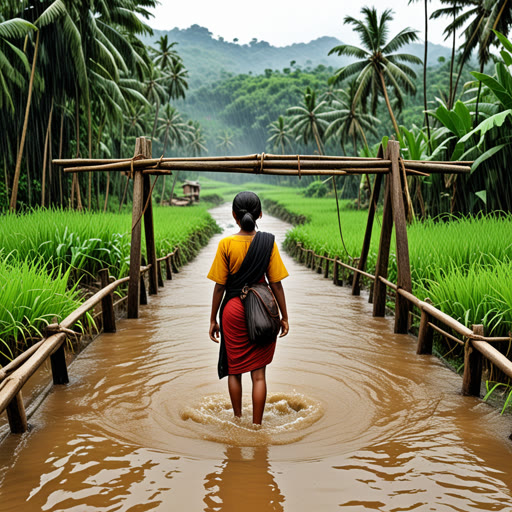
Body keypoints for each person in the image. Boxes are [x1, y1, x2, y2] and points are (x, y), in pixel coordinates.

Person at [207, 191, 289, 425]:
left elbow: (220, 287)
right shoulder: (268, 242)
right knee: (259, 374)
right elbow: (276, 284)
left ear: (234, 215)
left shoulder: (226, 244)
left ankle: (237, 419)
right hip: (262, 311)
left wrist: (213, 319)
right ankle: (257, 426)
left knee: (235, 370)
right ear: (260, 214)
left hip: (232, 311)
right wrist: (284, 316)